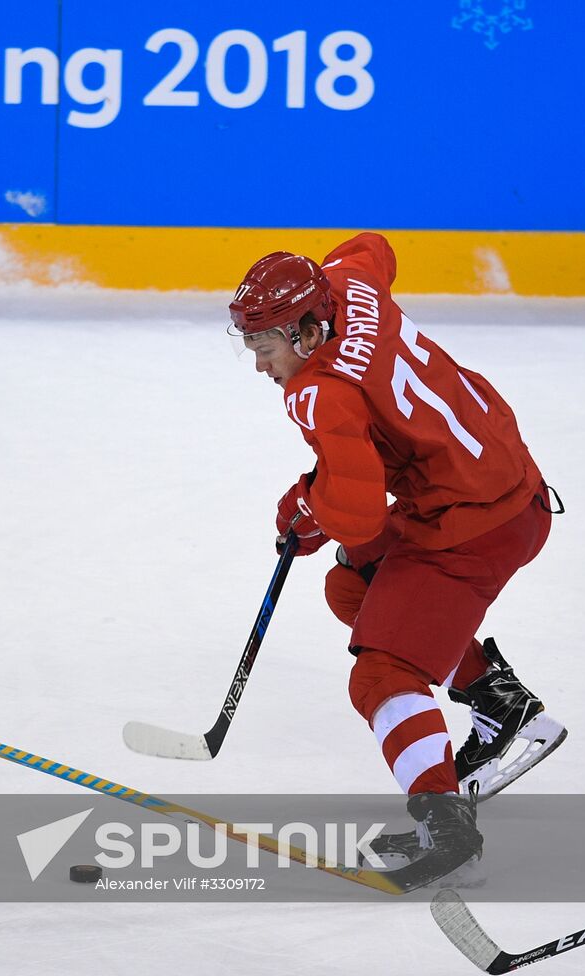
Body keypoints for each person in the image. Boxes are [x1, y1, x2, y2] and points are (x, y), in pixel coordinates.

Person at [227, 233, 567, 886]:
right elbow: (372, 247)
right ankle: (500, 703)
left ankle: (447, 832)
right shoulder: (346, 280)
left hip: (471, 528)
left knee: (380, 675)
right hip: (504, 486)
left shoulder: (319, 391)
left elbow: (355, 512)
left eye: (265, 347)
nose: (260, 365)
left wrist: (306, 506)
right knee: (353, 588)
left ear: (305, 333)